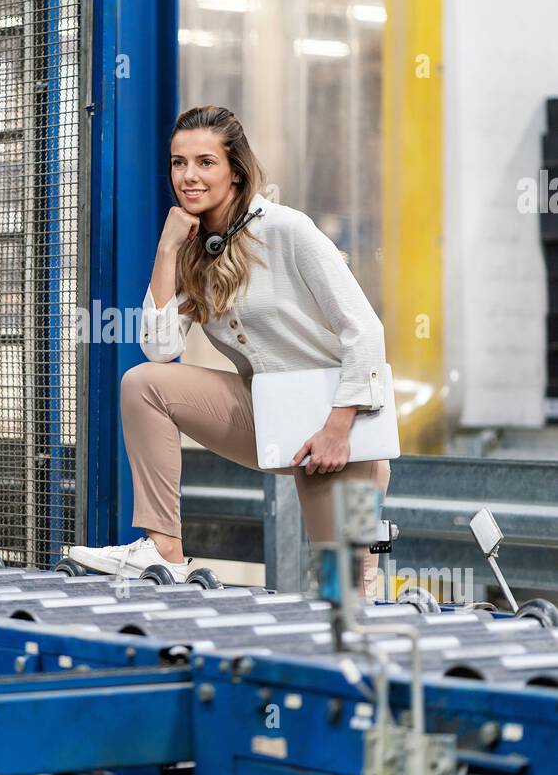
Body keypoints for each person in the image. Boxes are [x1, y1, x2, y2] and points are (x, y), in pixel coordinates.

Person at [67, 104, 391, 597]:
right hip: (266, 414)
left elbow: (365, 331)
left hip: (341, 430)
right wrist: (168, 249)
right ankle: (163, 549)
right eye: (178, 163)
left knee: (345, 593)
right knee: (143, 384)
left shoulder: (288, 230)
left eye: (205, 162)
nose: (188, 176)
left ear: (235, 170)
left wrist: (337, 428)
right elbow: (159, 348)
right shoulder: (196, 248)